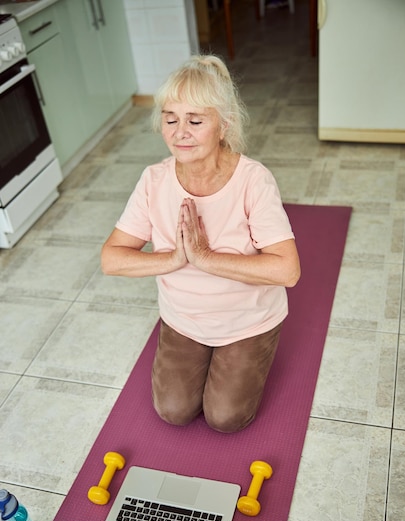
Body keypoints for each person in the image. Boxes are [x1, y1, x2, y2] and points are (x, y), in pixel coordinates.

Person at [101, 54, 300, 434]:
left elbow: (287, 270)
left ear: (223, 126)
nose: (180, 132)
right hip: (183, 319)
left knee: (225, 418)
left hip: (247, 321)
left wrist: (206, 258)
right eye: (170, 118)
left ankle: (251, 348)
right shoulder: (153, 180)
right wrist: (174, 259)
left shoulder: (253, 180)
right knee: (173, 410)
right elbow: (111, 259)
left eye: (195, 120)